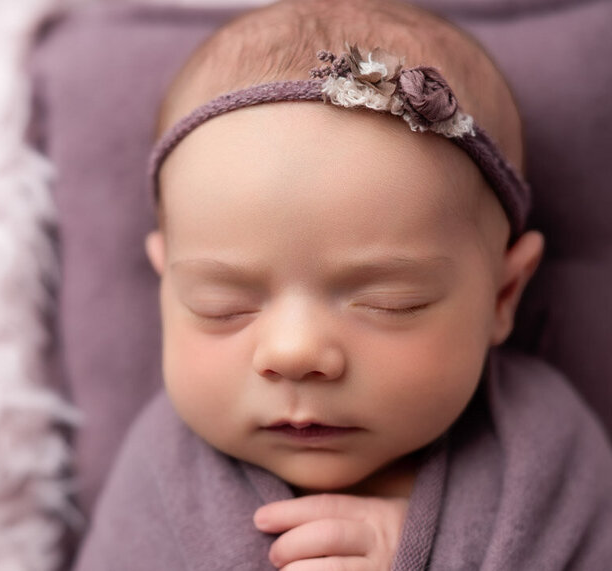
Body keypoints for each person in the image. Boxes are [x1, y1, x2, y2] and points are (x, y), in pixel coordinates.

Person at [76, 0, 612, 569]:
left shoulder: (542, 454)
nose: (295, 353)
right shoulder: (162, 473)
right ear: (166, 288)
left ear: (504, 296)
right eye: (221, 305)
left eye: (390, 302)